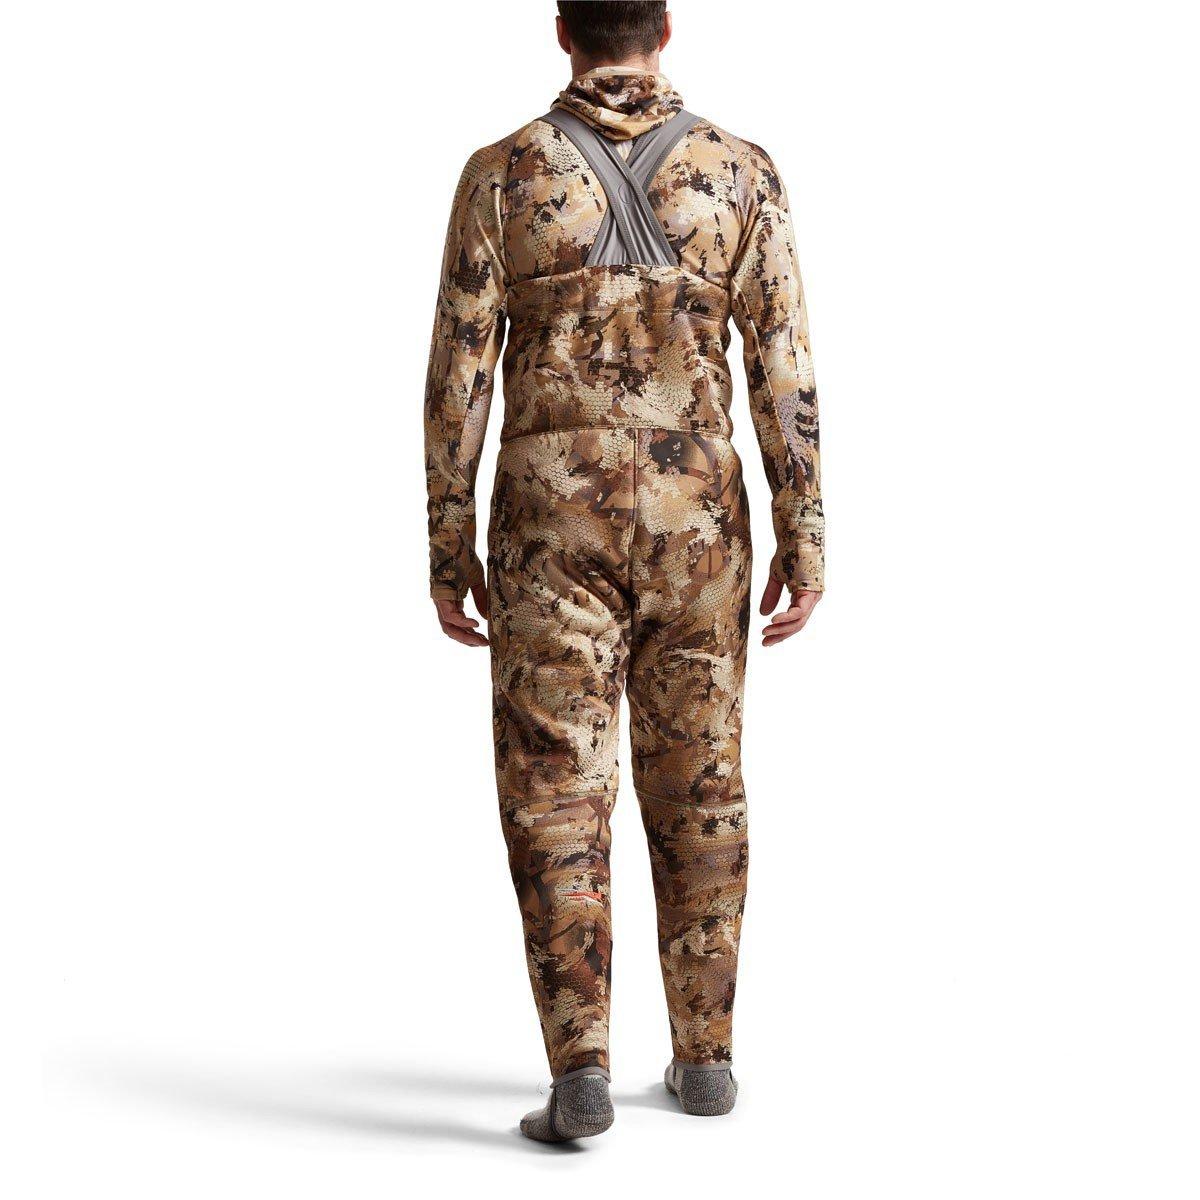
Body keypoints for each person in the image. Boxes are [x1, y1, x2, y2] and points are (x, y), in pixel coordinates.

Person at [423, 1, 824, 1141]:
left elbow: (459, 375)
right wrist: (804, 531)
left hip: (551, 523)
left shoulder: (501, 175)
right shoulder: (742, 173)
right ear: (666, 27)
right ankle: (706, 1058)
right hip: (701, 523)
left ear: (563, 31)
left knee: (557, 786)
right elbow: (784, 364)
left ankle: (580, 1074)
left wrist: (449, 541)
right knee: (703, 778)